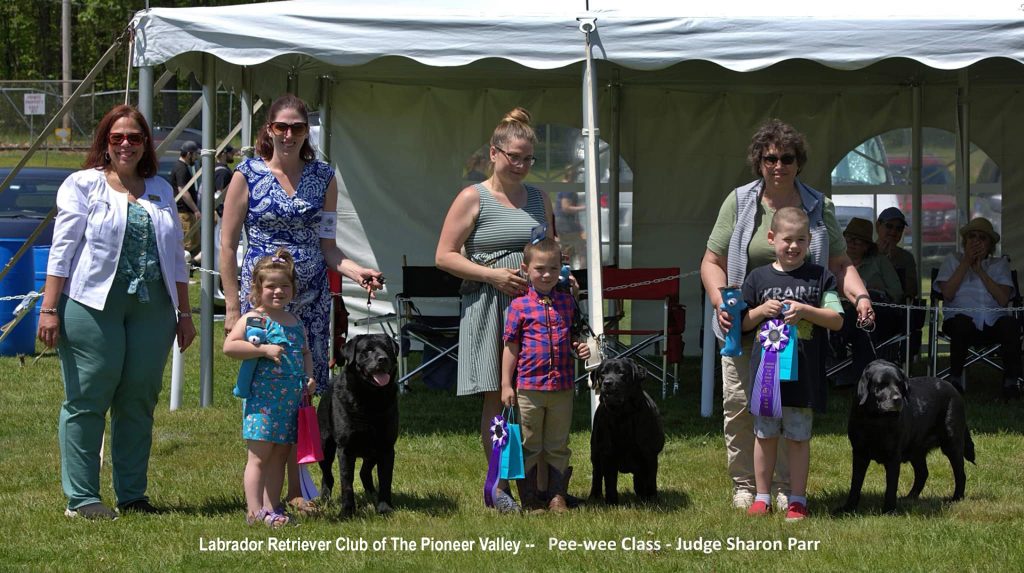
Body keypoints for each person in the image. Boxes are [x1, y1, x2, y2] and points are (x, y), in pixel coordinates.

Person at [220, 93, 383, 513]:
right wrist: (235, 309)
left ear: (307, 131)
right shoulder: (247, 174)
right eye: (281, 127)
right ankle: (263, 485)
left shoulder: (323, 176)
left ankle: (299, 485)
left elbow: (328, 247)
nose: (289, 134)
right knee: (268, 390)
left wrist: (355, 270)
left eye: (297, 127)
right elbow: (227, 242)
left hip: (309, 303)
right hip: (263, 304)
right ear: (268, 130)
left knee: (305, 390)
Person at [700, 118, 874, 511]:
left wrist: (860, 296)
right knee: (743, 408)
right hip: (743, 326)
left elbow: (840, 262)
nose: (778, 165)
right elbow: (711, 261)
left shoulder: (818, 205)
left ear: (799, 162)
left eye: (787, 158)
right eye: (770, 158)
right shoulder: (739, 201)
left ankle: (784, 489)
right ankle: (747, 487)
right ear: (759, 162)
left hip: (799, 337)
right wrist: (720, 302)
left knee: (787, 407)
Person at [36, 104, 195, 520]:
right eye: (117, 137)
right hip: (91, 304)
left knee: (139, 399)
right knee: (88, 397)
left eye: (135, 137)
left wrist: (186, 312)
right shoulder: (82, 184)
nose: (126, 144)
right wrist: (49, 308)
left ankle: (132, 495)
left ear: (147, 145)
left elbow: (176, 256)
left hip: (153, 308)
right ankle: (83, 498)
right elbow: (63, 248)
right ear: (105, 143)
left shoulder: (159, 188)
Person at [436, 107, 556, 512]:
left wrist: (562, 277)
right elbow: (444, 256)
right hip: (489, 308)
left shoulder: (540, 200)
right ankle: (498, 486)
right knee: (498, 397)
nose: (521, 165)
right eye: (514, 157)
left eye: (528, 159)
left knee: (534, 395)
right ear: (494, 153)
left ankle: (539, 486)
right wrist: (493, 276)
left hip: (534, 310)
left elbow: (550, 253)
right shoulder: (473, 197)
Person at [741, 207, 843, 521]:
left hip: (805, 379)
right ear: (772, 239)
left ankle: (797, 499)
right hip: (766, 381)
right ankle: (762, 497)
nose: (793, 246)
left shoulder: (821, 276)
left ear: (810, 241)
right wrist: (760, 312)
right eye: (787, 239)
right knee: (764, 437)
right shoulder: (757, 278)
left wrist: (805, 310)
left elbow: (837, 320)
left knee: (798, 439)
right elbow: (742, 324)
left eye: (801, 240)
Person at [223, 249, 315, 528]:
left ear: (293, 289)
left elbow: (306, 352)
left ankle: (272, 507)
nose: (278, 291)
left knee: (279, 454)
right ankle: (254, 511)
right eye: (271, 286)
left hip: (290, 401)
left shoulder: (295, 321)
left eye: (285, 286)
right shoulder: (255, 318)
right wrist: (262, 349)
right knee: (259, 456)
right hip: (262, 402)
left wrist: (309, 378)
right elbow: (230, 347)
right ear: (257, 289)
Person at [500, 238, 590, 513]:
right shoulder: (519, 306)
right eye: (540, 268)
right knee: (529, 444)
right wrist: (506, 384)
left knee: (558, 444)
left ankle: (556, 496)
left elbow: (574, 336)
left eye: (554, 267)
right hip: (529, 387)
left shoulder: (567, 302)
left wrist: (580, 348)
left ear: (562, 268)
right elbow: (510, 345)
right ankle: (529, 498)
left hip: (562, 387)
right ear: (525, 269)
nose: (547, 274)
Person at [935, 217, 1021, 399]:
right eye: (971, 236)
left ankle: (1011, 382)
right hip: (960, 322)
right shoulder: (952, 260)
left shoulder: (1000, 264)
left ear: (990, 245)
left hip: (993, 322)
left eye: (982, 238)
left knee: (1010, 324)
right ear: (965, 241)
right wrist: (966, 263)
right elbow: (948, 294)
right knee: (961, 323)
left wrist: (980, 270)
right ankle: (955, 380)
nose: (976, 241)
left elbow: (1003, 299)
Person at [875, 207, 919, 300]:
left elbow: (912, 291)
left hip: (898, 309)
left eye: (899, 228)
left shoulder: (906, 258)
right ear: (878, 225)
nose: (893, 232)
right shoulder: (864, 251)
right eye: (889, 226)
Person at [170, 140, 201, 258]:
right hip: (184, 213)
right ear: (189, 154)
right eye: (195, 154)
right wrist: (196, 210)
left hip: (185, 213)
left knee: (194, 243)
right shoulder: (181, 168)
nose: (196, 158)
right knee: (187, 245)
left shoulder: (182, 167)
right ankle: (186, 270)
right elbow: (183, 191)